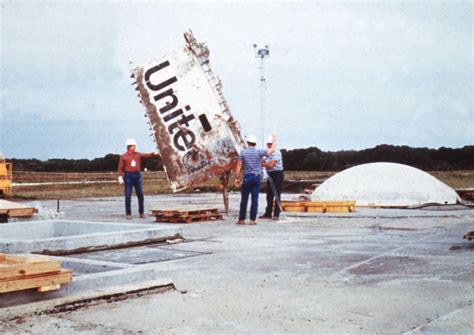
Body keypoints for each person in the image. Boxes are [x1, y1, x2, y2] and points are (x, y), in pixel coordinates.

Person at [234, 134, 276, 225]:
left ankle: (241, 219)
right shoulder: (259, 152)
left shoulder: (243, 152)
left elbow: (239, 165)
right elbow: (272, 150)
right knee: (255, 199)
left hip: (247, 177)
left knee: (244, 199)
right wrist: (275, 139)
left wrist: (237, 177)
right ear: (255, 143)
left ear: (248, 142)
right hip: (257, 177)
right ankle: (252, 220)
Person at [117, 138, 158, 219]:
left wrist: (154, 153)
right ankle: (128, 213)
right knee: (128, 195)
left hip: (137, 175)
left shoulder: (138, 154)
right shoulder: (123, 156)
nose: (135, 147)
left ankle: (141, 212)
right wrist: (120, 176)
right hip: (128, 176)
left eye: (135, 146)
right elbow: (120, 167)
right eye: (133, 146)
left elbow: (146, 155)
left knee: (140, 195)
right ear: (129, 147)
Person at [260, 136, 284, 220]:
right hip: (270, 174)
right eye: (268, 144)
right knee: (269, 195)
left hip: (277, 174)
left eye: (270, 144)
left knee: (277, 194)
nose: (269, 145)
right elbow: (262, 160)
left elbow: (271, 165)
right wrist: (262, 162)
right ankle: (268, 213)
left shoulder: (277, 153)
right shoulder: (266, 152)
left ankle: (276, 214)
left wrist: (262, 164)